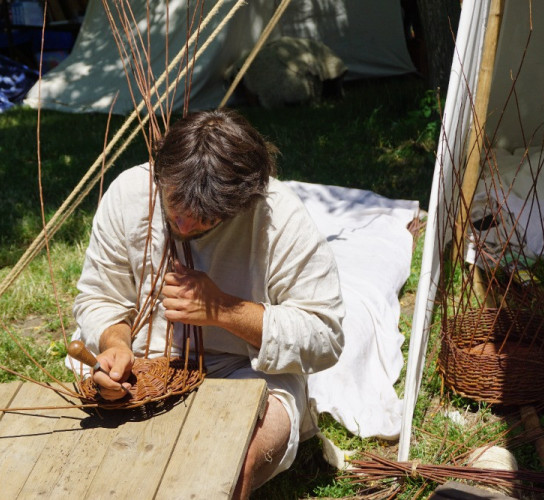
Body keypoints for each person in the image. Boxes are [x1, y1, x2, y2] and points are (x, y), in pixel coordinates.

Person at [71, 108, 345, 498]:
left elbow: (324, 336)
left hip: (244, 373)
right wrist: (115, 346)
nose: (183, 227)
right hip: (141, 366)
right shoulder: (131, 194)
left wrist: (224, 310)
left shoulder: (277, 215)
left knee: (226, 468)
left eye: (204, 218)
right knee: (93, 467)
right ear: (160, 173)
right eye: (175, 208)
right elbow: (100, 296)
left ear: (244, 200)